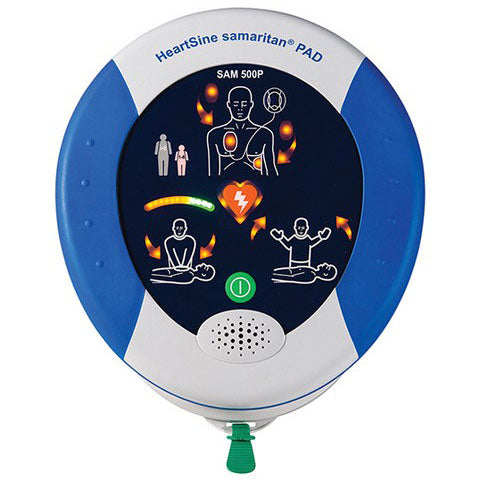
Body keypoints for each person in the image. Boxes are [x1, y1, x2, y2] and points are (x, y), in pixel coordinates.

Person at [206, 86, 277, 176]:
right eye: (236, 104)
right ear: (229, 105)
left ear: (251, 105)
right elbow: (212, 172)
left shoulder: (264, 134)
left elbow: (271, 170)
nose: (240, 108)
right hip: (225, 183)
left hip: (256, 183)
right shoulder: (215, 134)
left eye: (244, 104)